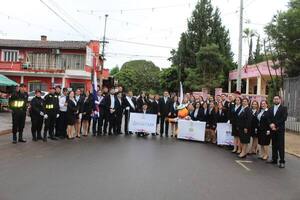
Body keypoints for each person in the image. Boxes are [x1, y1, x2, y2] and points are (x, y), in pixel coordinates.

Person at [268, 95, 288, 168]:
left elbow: (284, 118)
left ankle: (282, 161)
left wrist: (275, 125)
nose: (275, 100)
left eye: (277, 99)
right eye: (274, 99)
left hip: (279, 130)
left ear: (280, 100)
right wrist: (270, 124)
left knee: (280, 146)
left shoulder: (284, 108)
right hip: (272, 129)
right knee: (274, 145)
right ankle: (274, 159)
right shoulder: (271, 108)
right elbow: (268, 117)